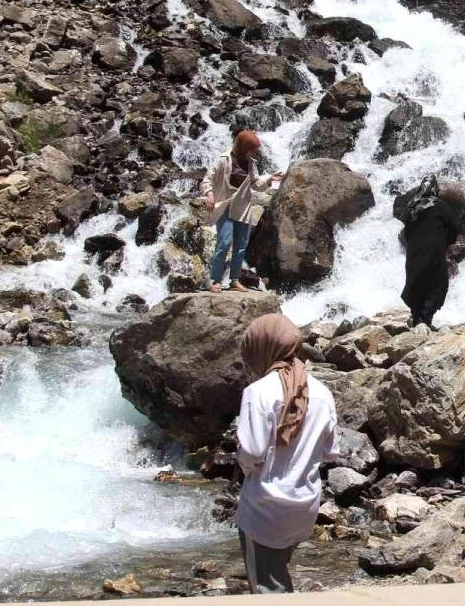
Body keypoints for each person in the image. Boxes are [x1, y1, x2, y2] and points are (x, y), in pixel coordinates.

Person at [236, 315, 343, 593]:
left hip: (264, 509)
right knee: (278, 574)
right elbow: (331, 451)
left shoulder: (257, 392)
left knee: (266, 588)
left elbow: (252, 451)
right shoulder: (321, 392)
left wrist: (246, 468)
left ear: (261, 348)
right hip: (304, 506)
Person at [203, 131, 282, 292]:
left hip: (243, 208)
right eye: (251, 149)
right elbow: (207, 179)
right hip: (225, 206)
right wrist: (209, 194)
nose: (253, 153)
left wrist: (269, 179)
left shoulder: (250, 163)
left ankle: (234, 280)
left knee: (241, 246)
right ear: (242, 146)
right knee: (224, 243)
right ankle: (214, 281)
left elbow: (255, 184)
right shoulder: (224, 160)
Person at [401, 176, 465, 327]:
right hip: (434, 252)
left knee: (416, 283)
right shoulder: (440, 206)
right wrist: (447, 241)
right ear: (435, 189)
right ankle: (425, 319)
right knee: (439, 284)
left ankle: (417, 318)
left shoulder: (411, 207)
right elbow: (454, 229)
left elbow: (406, 233)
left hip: (413, 255)